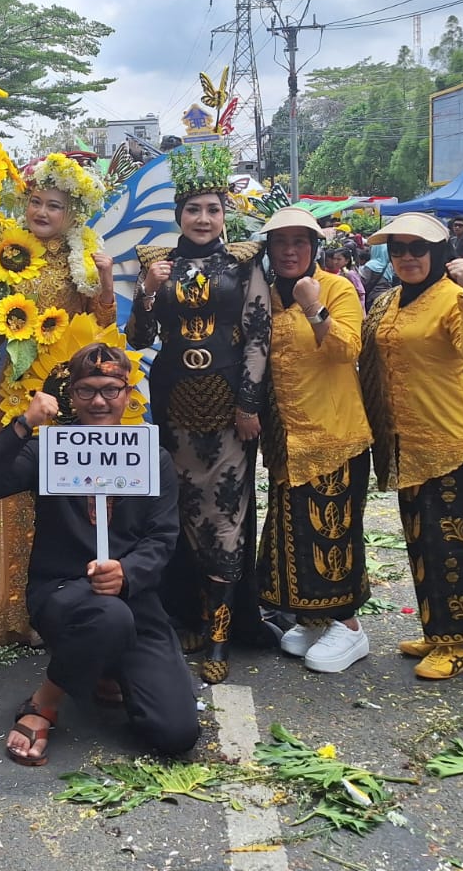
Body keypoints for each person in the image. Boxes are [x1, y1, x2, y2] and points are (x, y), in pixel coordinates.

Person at [0, 343, 200, 764]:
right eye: (86, 391)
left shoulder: (153, 456)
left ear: (128, 395)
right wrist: (23, 423)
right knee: (109, 618)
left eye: (111, 389)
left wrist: (127, 572)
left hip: (134, 600)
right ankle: (44, 702)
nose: (98, 401)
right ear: (70, 396)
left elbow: (163, 538)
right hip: (62, 592)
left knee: (177, 732)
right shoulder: (48, 450)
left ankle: (103, 663)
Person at [128, 143, 267, 684]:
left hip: (229, 408)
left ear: (224, 214)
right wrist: (148, 291)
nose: (203, 219)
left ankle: (220, 633)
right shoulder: (156, 263)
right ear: (178, 215)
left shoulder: (244, 261)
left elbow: (258, 335)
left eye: (213, 209)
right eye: (193, 210)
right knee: (178, 512)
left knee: (224, 517)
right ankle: (187, 616)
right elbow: (140, 338)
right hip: (173, 404)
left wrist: (250, 403)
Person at [0, 152, 116, 649]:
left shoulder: (83, 256)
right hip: (20, 392)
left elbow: (103, 329)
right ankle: (20, 608)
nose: (41, 212)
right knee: (20, 496)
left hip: (69, 392)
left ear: (72, 213)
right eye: (35, 201)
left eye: (53, 205)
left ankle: (64, 598)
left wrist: (104, 280)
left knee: (65, 499)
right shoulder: (6, 252)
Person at [360, 214, 463, 679]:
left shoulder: (453, 295)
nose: (406, 258)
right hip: (407, 440)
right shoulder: (392, 299)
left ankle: (461, 640)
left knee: (455, 544)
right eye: (397, 249)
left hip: (453, 437)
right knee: (422, 540)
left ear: (439, 252)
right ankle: (436, 626)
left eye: (417, 249)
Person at [250, 207, 374, 674]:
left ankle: (348, 625)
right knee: (295, 531)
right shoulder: (266, 296)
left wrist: (312, 305)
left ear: (314, 248)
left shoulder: (336, 288)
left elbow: (346, 348)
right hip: (287, 439)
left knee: (333, 532)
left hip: (334, 435)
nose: (289, 250)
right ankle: (312, 617)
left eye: (299, 242)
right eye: (280, 242)